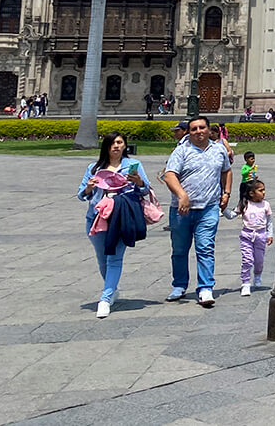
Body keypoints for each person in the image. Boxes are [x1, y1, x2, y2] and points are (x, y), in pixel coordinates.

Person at [78, 134, 150, 318]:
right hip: (97, 219)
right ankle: (111, 289)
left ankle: (105, 297)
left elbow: (146, 189)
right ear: (106, 147)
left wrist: (139, 182)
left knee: (114, 259)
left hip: (122, 217)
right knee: (102, 259)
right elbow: (81, 194)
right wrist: (89, 187)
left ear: (125, 145)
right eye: (112, 143)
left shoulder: (133, 165)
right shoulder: (94, 168)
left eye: (119, 142)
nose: (116, 146)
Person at [163, 116, 233, 307]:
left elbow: (226, 171)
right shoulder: (181, 151)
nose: (198, 131)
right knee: (179, 249)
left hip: (208, 208)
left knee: (205, 248)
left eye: (202, 128)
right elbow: (169, 176)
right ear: (189, 132)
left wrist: (226, 193)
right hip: (181, 210)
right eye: (193, 129)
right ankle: (179, 285)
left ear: (209, 130)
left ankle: (205, 288)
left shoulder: (219, 149)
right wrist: (182, 195)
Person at [236, 178, 273, 297]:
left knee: (259, 260)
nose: (264, 193)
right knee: (247, 260)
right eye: (261, 190)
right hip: (247, 235)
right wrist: (223, 209)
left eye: (264, 190)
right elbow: (233, 214)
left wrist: (270, 234)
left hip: (261, 235)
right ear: (251, 193)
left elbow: (269, 221)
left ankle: (257, 275)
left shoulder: (265, 204)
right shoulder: (245, 204)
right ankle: (245, 283)